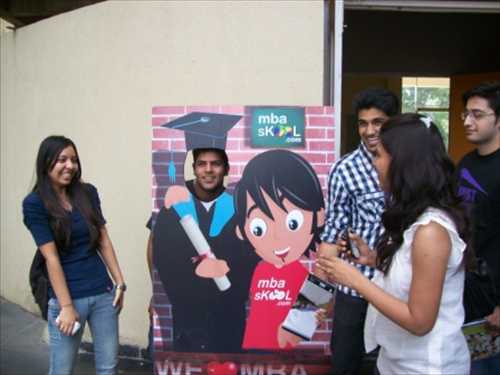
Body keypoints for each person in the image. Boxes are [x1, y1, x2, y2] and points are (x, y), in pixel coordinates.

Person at [317, 114, 471, 375]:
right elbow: (414, 274)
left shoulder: (431, 231)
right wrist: (373, 259)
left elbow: (420, 321)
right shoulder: (413, 217)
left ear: (403, 163)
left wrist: (356, 280)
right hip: (393, 363)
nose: (373, 164)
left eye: (378, 156)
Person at [22, 135, 126, 375]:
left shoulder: (87, 193)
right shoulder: (35, 203)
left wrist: (120, 282)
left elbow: (103, 240)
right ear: (46, 163)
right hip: (67, 298)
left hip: (103, 294)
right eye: (62, 159)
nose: (70, 165)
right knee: (61, 369)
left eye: (74, 160)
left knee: (108, 368)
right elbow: (51, 258)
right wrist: (66, 307)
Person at [318, 88, 399, 374]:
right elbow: (333, 230)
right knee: (345, 363)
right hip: (355, 285)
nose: (369, 130)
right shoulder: (345, 169)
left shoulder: (408, 165)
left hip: (398, 286)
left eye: (378, 122)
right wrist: (313, 302)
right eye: (363, 123)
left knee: (390, 364)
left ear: (393, 122)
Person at [152, 147, 258, 353]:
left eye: (216, 164)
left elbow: (251, 257)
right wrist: (194, 269)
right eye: (201, 164)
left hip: (228, 313)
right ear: (194, 169)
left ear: (226, 169)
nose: (208, 170)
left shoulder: (239, 208)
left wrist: (227, 268)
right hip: (187, 311)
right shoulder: (175, 205)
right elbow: (161, 254)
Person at [233, 149, 325, 350]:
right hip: (252, 349)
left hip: (285, 357)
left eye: (293, 223)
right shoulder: (257, 269)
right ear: (242, 230)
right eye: (260, 228)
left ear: (318, 216)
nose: (277, 237)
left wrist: (306, 322)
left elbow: (321, 304)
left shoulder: (302, 274)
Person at [456, 81, 500, 374]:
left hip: (494, 303)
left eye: (478, 114)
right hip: (465, 295)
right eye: (465, 115)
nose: (468, 121)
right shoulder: (465, 164)